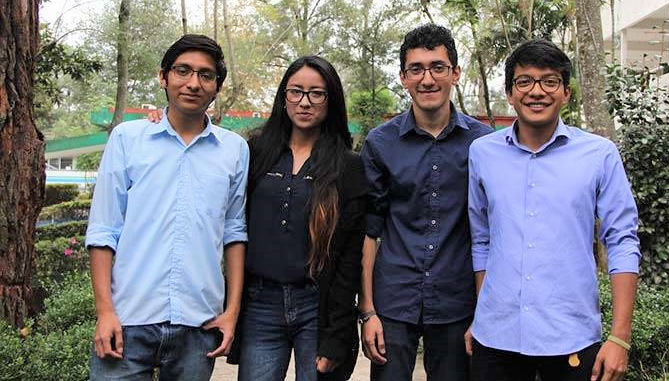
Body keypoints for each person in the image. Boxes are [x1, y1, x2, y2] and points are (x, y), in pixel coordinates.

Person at [467, 38, 641, 381]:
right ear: (510, 93)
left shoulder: (600, 154)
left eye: (549, 81)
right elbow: (482, 240)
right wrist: (481, 316)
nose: (537, 91)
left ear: (566, 93)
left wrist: (620, 337)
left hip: (571, 338)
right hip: (495, 339)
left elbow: (623, 242)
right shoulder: (482, 153)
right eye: (524, 81)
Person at [85, 34, 249, 381]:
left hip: (199, 323)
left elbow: (234, 232)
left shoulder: (234, 150)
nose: (193, 83)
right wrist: (105, 311)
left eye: (206, 75)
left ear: (217, 86)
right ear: (164, 77)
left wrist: (232, 311)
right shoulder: (127, 139)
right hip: (128, 320)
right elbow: (103, 230)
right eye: (183, 71)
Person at [359, 24, 494, 381]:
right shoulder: (380, 143)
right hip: (393, 300)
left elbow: (493, 232)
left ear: (455, 73)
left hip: (457, 300)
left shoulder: (484, 144)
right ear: (403, 77)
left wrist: (485, 311)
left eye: (438, 67)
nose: (427, 79)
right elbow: (369, 230)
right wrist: (368, 311)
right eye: (416, 69)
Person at [225, 55, 368, 381]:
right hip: (260, 302)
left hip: (317, 305)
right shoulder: (254, 153)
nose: (305, 102)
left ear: (331, 100)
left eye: (316, 93)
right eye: (296, 92)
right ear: (284, 97)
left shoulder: (348, 166)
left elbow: (350, 257)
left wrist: (337, 334)